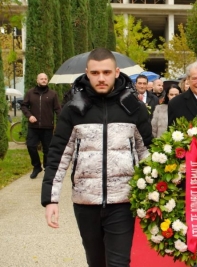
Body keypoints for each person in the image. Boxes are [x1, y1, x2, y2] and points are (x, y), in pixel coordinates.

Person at [41, 48, 151, 267]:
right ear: (87, 73)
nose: (101, 78)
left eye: (107, 72)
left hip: (123, 200)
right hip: (85, 202)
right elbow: (58, 155)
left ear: (117, 72)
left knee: (119, 263)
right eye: (95, 72)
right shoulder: (73, 110)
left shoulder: (134, 109)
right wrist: (50, 199)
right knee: (96, 262)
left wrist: (156, 192)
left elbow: (147, 152)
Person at [20, 73, 61, 179]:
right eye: (41, 79)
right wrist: (29, 116)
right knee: (31, 146)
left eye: (45, 79)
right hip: (33, 127)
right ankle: (36, 166)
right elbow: (24, 106)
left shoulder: (53, 94)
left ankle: (47, 168)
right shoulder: (30, 93)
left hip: (47, 127)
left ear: (47, 81)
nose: (44, 80)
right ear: (37, 80)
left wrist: (62, 122)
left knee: (47, 149)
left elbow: (58, 109)